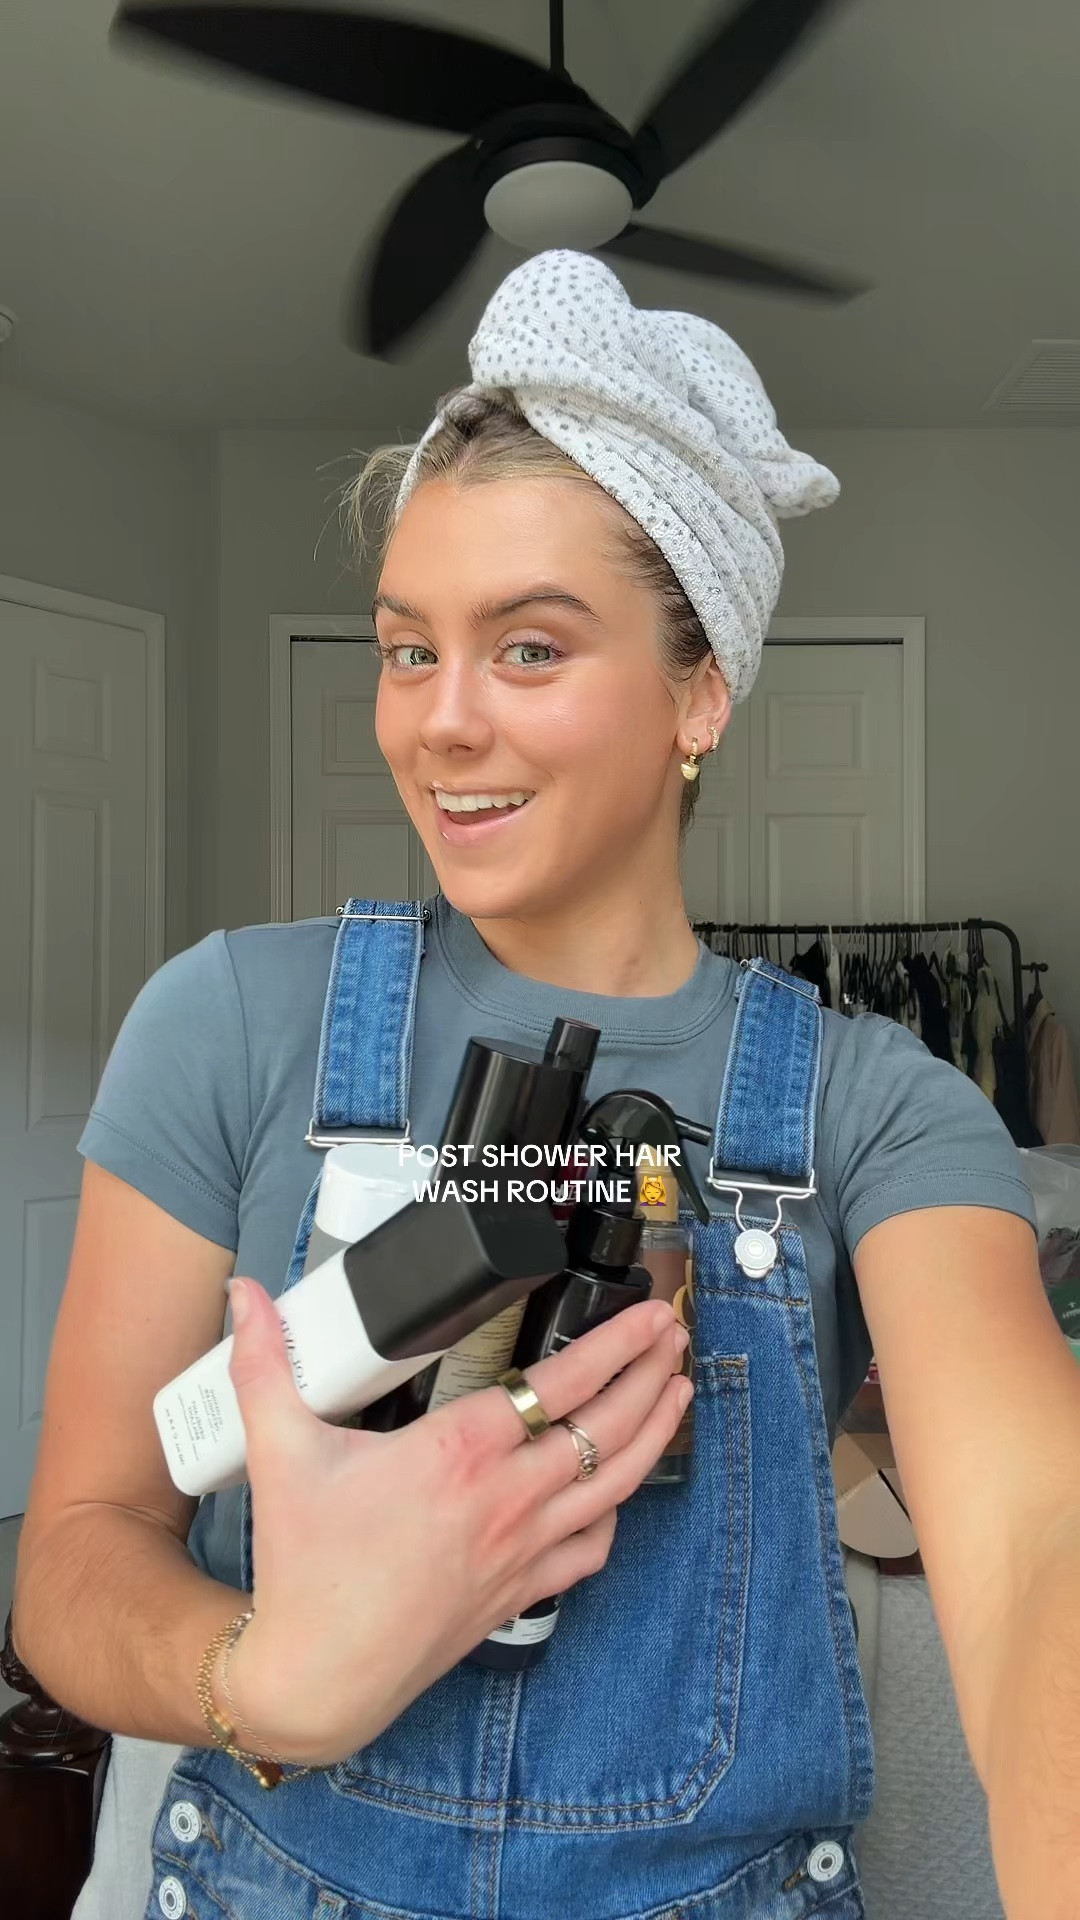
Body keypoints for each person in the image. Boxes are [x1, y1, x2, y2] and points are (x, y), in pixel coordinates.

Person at [12, 249, 1080, 1920]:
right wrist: (269, 1675)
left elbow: (1038, 1562)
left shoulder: (882, 1110)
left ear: (699, 690)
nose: (437, 723)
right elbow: (72, 1551)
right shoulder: (228, 1021)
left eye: (526, 649)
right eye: (405, 649)